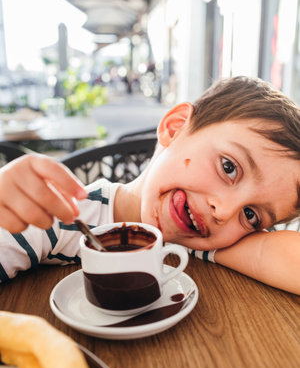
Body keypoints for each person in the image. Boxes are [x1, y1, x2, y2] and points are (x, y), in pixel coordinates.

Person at [0, 76, 299, 294]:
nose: (224, 210)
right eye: (229, 167)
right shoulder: (55, 219)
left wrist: (227, 242)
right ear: (176, 127)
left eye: (251, 215)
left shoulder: (194, 242)